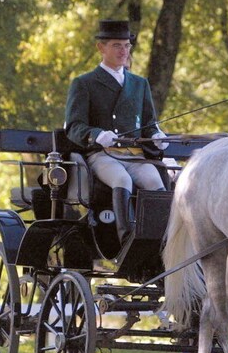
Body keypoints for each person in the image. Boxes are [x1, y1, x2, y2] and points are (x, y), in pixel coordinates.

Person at [65, 20, 169, 243]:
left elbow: (149, 123)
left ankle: (160, 240)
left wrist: (156, 136)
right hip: (103, 155)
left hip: (135, 155)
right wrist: (96, 135)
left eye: (126, 46)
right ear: (101, 48)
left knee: (154, 181)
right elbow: (74, 127)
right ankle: (126, 239)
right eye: (116, 46)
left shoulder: (139, 84)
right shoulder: (85, 83)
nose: (124, 51)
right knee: (122, 179)